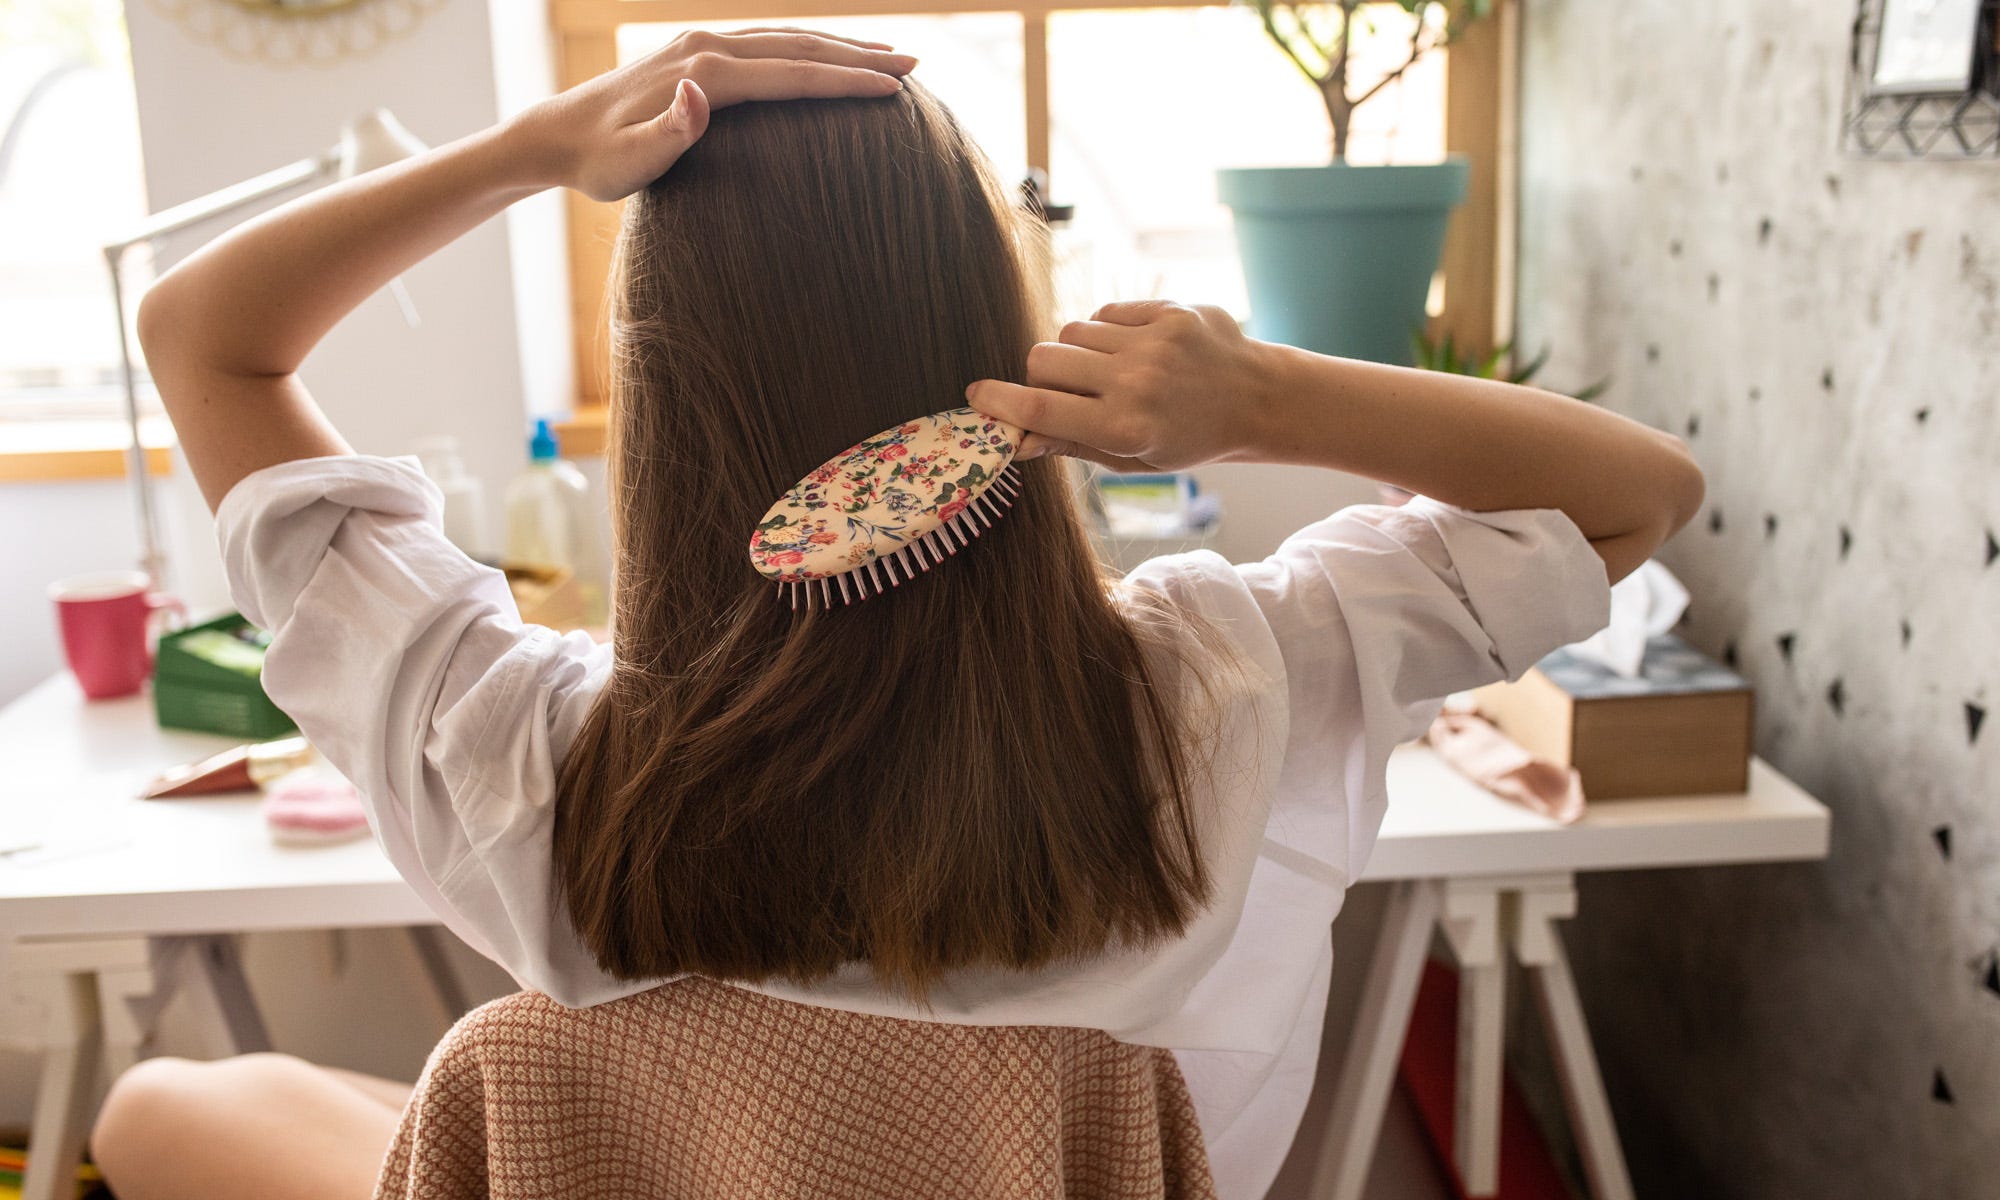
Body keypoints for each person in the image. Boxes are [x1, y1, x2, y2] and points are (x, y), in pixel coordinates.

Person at [89, 27, 1704, 1200]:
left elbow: (204, 339)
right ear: (996, 329)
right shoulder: (1228, 690)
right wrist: (1255, 395)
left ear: (656, 401)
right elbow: (1636, 492)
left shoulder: (517, 755)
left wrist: (533, 150)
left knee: (162, 1106)